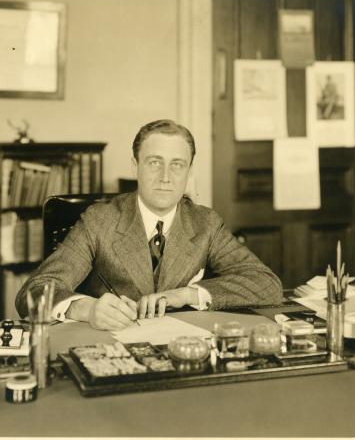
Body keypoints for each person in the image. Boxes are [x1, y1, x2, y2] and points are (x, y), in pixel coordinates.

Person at [15, 119, 282, 330]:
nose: (166, 177)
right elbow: (34, 292)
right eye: (155, 163)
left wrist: (187, 295)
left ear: (189, 172)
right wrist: (85, 309)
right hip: (110, 351)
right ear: (135, 166)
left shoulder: (205, 223)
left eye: (177, 165)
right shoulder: (99, 220)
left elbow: (266, 284)